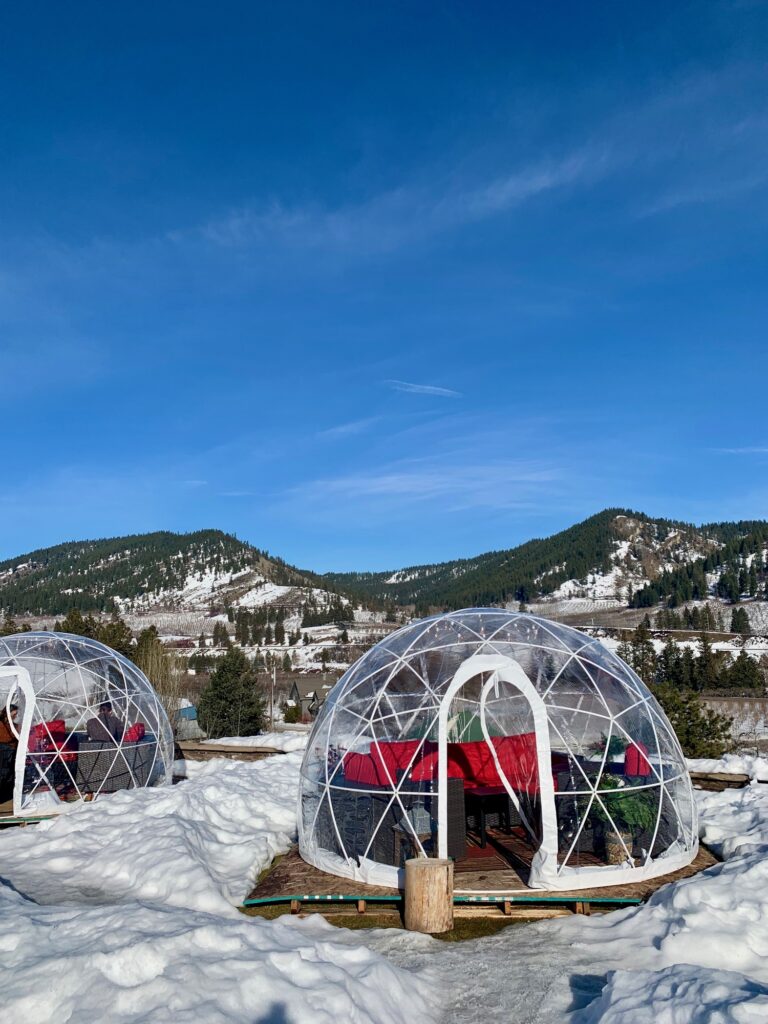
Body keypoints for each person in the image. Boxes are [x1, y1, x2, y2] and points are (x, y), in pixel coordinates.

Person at [0, 703, 19, 801]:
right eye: (14, 713)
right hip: (4, 750)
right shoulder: (2, 724)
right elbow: (8, 737)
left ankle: (7, 795)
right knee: (4, 773)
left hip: (12, 751)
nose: (15, 715)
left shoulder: (14, 725)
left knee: (10, 774)